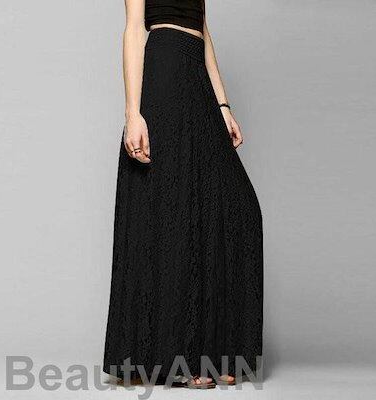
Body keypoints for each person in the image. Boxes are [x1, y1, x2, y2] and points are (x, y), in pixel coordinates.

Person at [103, 0, 263, 389]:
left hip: (196, 78)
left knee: (235, 210)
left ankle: (218, 352)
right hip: (165, 72)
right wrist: (132, 114)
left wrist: (222, 104)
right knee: (174, 209)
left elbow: (203, 31)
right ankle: (178, 358)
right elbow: (134, 30)